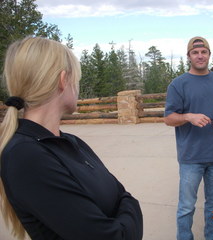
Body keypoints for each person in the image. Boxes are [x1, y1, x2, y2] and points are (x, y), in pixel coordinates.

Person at [0, 36, 143, 240]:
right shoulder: (26, 156)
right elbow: (117, 228)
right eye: (76, 77)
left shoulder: (70, 142)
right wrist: (130, 205)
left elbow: (121, 194)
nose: (77, 84)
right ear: (63, 80)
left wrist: (125, 201)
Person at [164, 36, 213, 240]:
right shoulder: (178, 84)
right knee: (186, 207)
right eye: (195, 52)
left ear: (209, 55)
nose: (200, 56)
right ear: (188, 56)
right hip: (191, 157)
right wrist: (188, 116)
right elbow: (169, 118)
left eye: (204, 52)